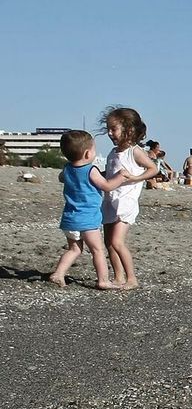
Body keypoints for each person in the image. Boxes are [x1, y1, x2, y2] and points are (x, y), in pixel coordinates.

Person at [48, 130, 143, 289]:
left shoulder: (67, 169)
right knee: (97, 250)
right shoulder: (91, 170)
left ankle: (58, 273)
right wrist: (121, 176)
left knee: (74, 249)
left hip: (69, 219)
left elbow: (61, 178)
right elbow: (107, 186)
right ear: (87, 154)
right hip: (88, 220)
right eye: (93, 150)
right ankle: (103, 280)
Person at [101, 107, 160, 290]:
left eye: (114, 129)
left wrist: (135, 178)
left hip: (126, 202)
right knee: (109, 243)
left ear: (129, 130)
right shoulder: (113, 152)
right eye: (108, 129)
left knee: (118, 242)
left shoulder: (134, 152)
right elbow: (110, 173)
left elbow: (153, 169)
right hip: (110, 200)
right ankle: (118, 277)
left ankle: (132, 278)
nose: (110, 133)